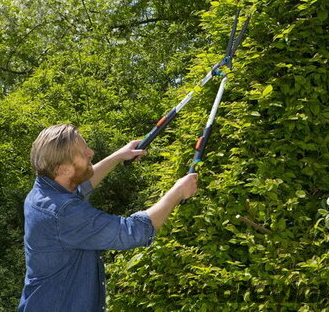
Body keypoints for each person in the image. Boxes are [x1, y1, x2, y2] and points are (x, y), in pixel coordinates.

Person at [18, 124, 198, 311]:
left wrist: (118, 155)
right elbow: (132, 232)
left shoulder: (45, 190)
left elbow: (80, 187)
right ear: (63, 169)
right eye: (83, 153)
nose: (91, 152)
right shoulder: (62, 212)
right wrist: (177, 192)